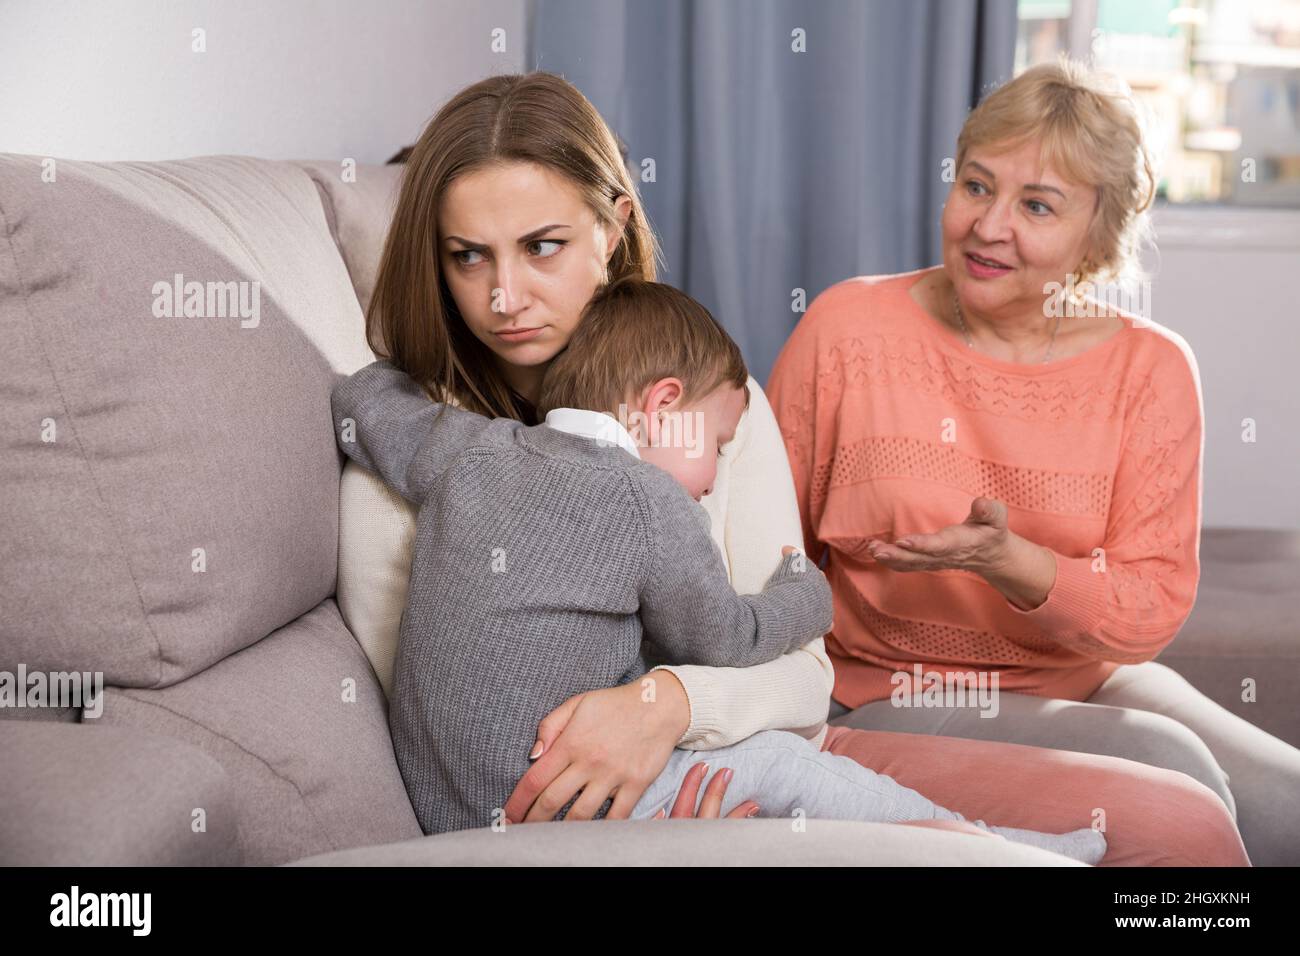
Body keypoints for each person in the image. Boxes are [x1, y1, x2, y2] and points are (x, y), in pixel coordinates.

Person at [335, 69, 1249, 865]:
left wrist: (668, 705)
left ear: (612, 229)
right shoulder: (425, 437)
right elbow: (428, 697)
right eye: (467, 257)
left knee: (1186, 809)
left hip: (762, 743)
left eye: (543, 246)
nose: (505, 297)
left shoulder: (713, 405)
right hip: (632, 794)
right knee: (1172, 828)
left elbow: (797, 665)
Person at [333, 278, 1107, 863]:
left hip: (448, 817)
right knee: (784, 766)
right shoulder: (648, 498)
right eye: (718, 439)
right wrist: (807, 593)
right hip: (561, 809)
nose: (710, 475)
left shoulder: (472, 450)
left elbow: (364, 402)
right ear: (663, 404)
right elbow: (726, 640)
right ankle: (995, 853)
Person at [766, 57, 1295, 865]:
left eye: (1037, 205)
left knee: (1287, 804)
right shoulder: (845, 329)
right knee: (1178, 778)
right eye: (977, 186)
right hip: (883, 689)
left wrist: (1014, 565)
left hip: (1081, 677)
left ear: (1098, 236)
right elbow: (762, 554)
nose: (988, 225)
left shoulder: (1149, 368)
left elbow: (1148, 611)